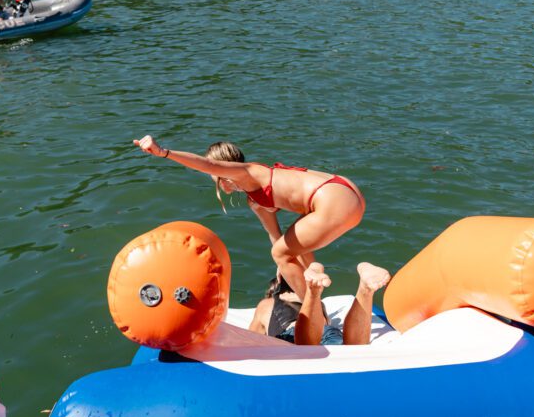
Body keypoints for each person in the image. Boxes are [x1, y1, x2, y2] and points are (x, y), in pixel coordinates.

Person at [133, 135, 365, 301]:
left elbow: (207, 164)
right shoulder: (255, 199)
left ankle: (315, 314)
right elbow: (276, 236)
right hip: (343, 193)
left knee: (280, 253)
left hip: (333, 199)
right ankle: (312, 282)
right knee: (285, 249)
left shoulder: (248, 172)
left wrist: (164, 152)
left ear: (222, 171)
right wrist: (286, 270)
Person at [250, 261, 390, 345]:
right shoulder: (320, 306)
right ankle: (365, 290)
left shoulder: (267, 304)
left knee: (307, 348)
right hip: (325, 331)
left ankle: (313, 291)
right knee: (353, 349)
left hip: (295, 334)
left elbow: (250, 341)